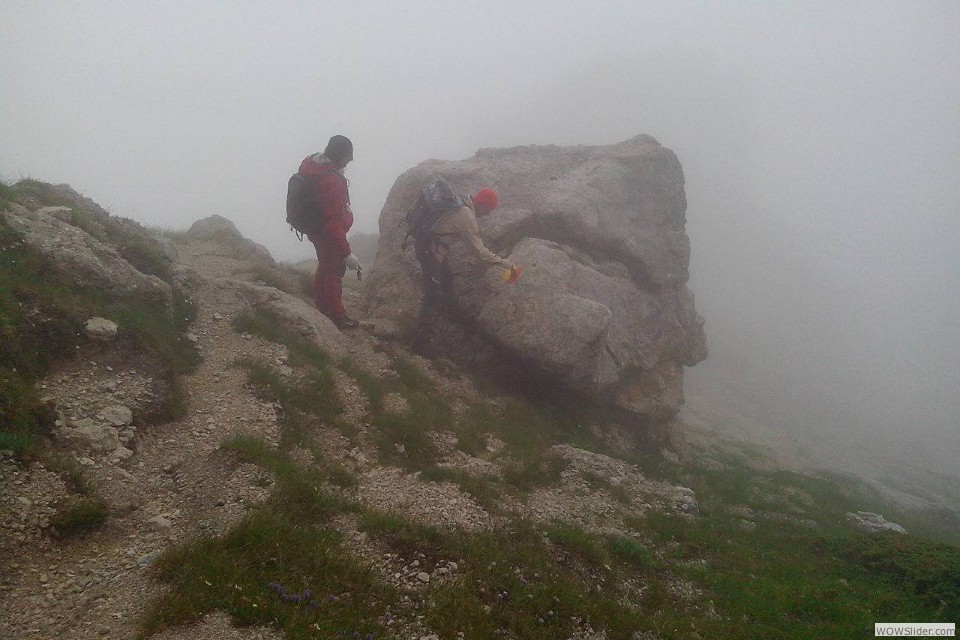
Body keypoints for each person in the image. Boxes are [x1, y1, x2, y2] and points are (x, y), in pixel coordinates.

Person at [298, 135, 362, 330]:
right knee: (334, 270)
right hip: (327, 233)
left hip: (314, 227)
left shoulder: (311, 163)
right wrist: (347, 253)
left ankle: (322, 305)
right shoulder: (332, 181)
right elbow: (333, 223)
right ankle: (336, 315)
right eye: (349, 155)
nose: (351, 160)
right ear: (341, 155)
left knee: (325, 265)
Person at [421, 187, 514, 314]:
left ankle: (454, 314)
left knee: (447, 278)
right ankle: (425, 327)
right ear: (483, 205)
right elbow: (478, 250)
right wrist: (500, 261)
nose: (488, 214)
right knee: (434, 291)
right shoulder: (466, 215)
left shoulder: (463, 201)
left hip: (433, 247)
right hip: (430, 250)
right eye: (489, 210)